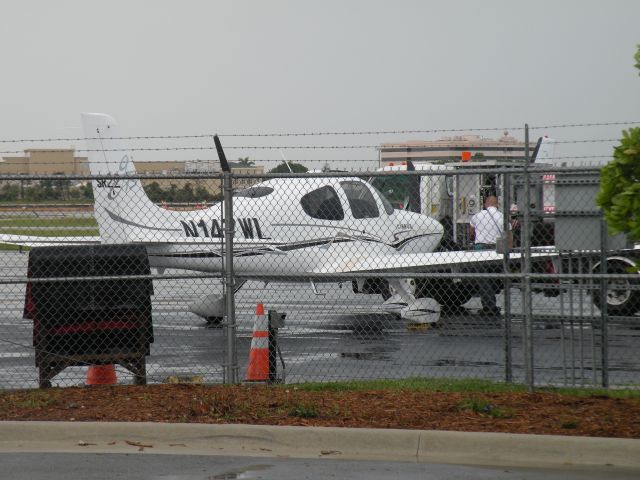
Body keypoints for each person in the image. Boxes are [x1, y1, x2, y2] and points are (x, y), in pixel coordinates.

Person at [469, 196, 504, 316]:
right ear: (497, 205)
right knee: (493, 276)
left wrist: (476, 236)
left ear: (485, 205)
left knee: (483, 278)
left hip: (481, 249)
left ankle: (489, 306)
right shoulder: (502, 216)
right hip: (497, 248)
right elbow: (509, 236)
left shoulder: (477, 215)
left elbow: (471, 232)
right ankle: (491, 301)